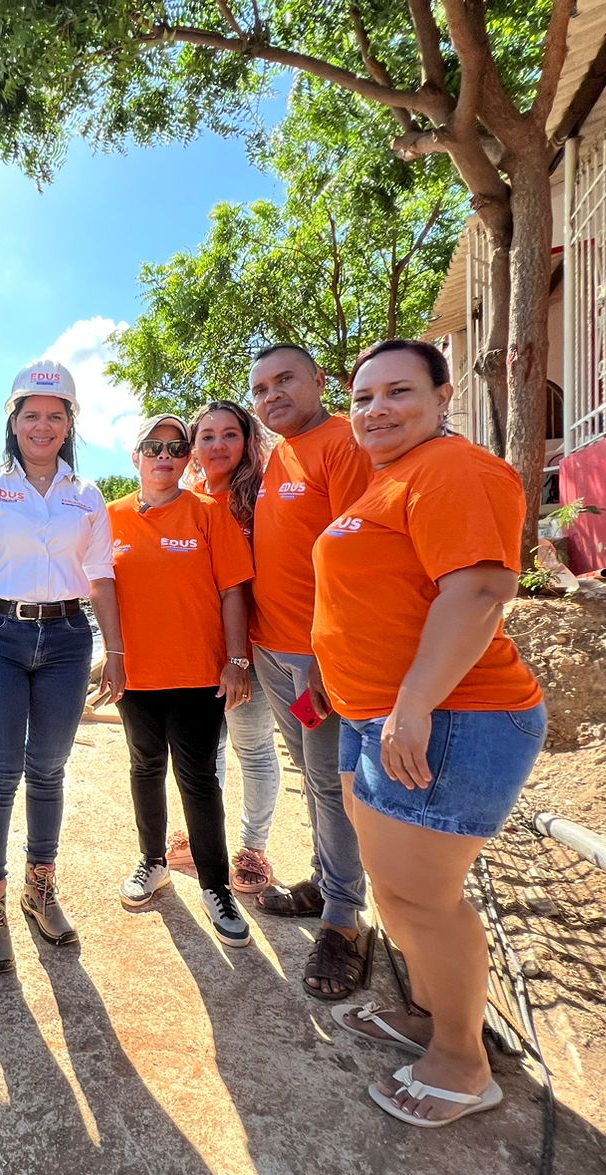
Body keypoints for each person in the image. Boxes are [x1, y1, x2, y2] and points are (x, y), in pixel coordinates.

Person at [313, 339, 547, 1127]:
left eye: (398, 392)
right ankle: (431, 1016)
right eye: (364, 398)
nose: (376, 409)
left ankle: (460, 1061)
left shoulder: (456, 470)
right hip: (378, 716)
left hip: (449, 717)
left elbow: (480, 589)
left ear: (444, 396)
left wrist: (413, 705)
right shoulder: (396, 479)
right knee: (401, 893)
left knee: (422, 900)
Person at [0, 358, 126, 975]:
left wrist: (117, 651)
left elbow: (101, 578)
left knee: (48, 768)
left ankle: (39, 887)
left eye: (55, 415)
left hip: (69, 639)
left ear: (70, 422)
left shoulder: (87, 495)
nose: (42, 426)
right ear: (14, 421)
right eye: (31, 415)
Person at [247, 344, 375, 1001]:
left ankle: (346, 922)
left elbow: (359, 555)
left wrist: (328, 654)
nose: (271, 396)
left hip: (315, 658)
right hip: (273, 650)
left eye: (284, 380)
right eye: (260, 388)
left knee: (330, 783)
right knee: (313, 777)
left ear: (319, 381)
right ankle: (328, 883)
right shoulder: (279, 456)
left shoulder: (340, 445)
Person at [106, 413, 254, 946]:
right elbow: (96, 592)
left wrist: (237, 660)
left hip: (197, 673)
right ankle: (152, 862)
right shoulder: (110, 518)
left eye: (175, 448)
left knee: (196, 778)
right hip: (137, 674)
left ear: (187, 458)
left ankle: (216, 887)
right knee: (145, 767)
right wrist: (110, 654)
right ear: (136, 457)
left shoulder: (209, 514)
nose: (164, 457)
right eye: (153, 447)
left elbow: (234, 590)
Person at [186, 399, 283, 896]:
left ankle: (253, 847)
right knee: (207, 750)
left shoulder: (262, 497)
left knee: (253, 747)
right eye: (207, 436)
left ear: (247, 440)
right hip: (200, 649)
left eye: (230, 434)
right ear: (194, 448)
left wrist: (239, 658)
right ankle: (209, 838)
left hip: (253, 646)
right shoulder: (187, 500)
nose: (218, 445)